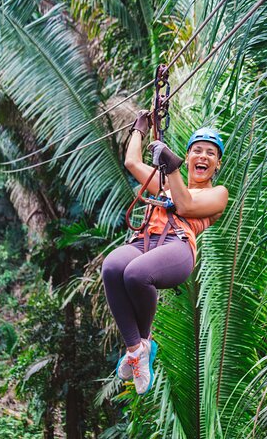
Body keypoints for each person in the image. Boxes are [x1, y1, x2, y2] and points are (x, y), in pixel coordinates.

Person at [101, 111, 229, 395]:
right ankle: (137, 349)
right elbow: (132, 162)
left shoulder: (218, 193)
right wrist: (140, 128)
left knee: (136, 274)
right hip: (145, 241)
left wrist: (170, 167)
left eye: (210, 153)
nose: (203, 157)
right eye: (197, 151)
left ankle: (143, 341)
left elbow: (184, 207)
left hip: (178, 247)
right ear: (188, 157)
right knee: (112, 267)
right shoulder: (168, 183)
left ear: (217, 164)